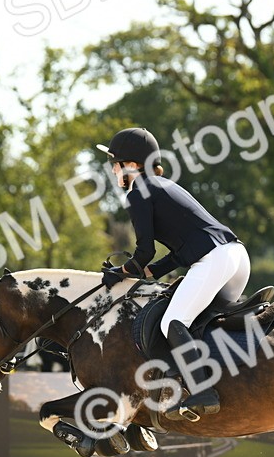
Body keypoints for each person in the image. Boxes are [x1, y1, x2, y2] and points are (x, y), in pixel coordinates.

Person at [97, 127, 247, 421]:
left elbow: (144, 251)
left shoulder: (139, 191)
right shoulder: (163, 185)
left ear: (132, 165)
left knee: (172, 322)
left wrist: (122, 271)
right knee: (195, 322)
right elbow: (178, 253)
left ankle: (202, 391)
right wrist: (148, 272)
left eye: (115, 163)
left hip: (214, 260)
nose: (113, 169)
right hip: (236, 257)